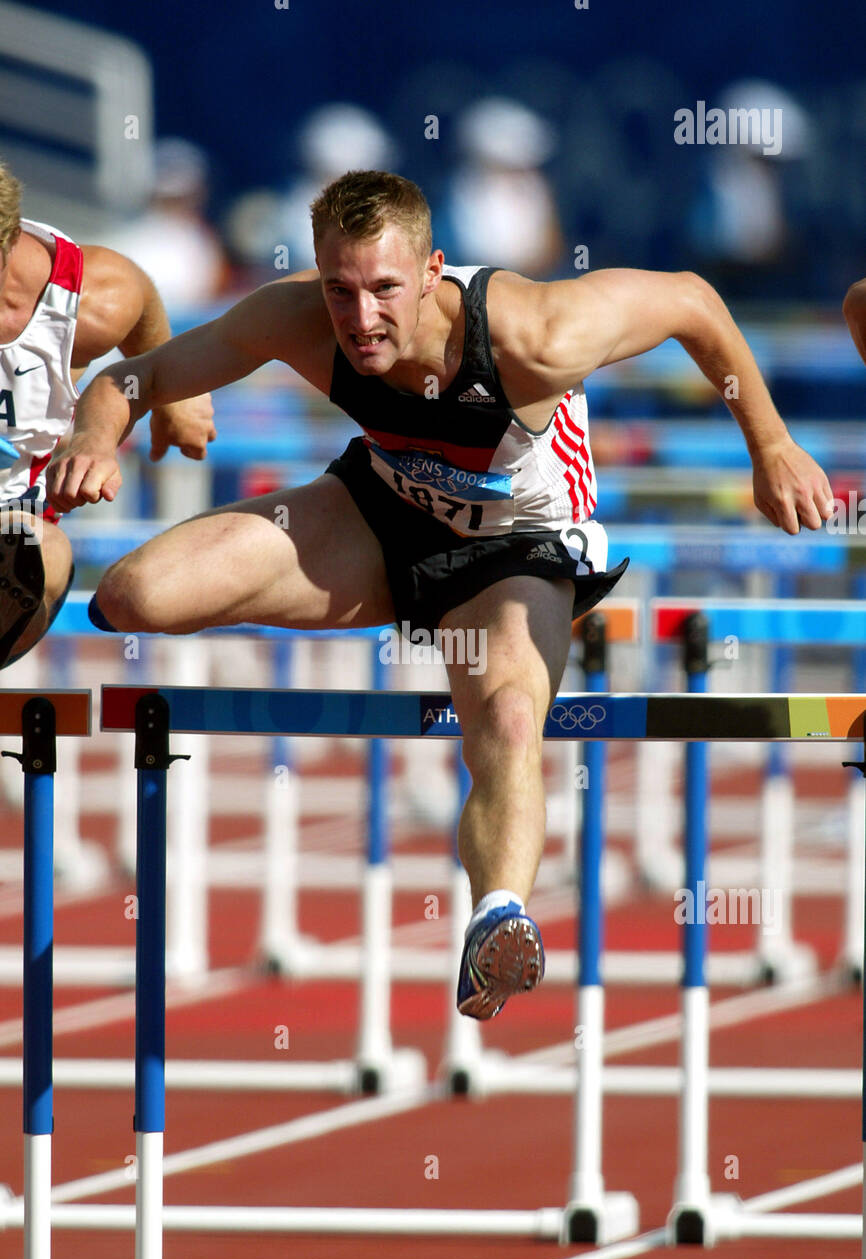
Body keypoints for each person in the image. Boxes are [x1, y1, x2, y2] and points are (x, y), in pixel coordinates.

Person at [45, 170, 834, 1021]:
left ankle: (498, 915)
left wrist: (773, 445)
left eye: (385, 289)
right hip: (382, 512)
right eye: (340, 291)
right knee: (135, 596)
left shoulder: (536, 332)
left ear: (432, 272)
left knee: (505, 715)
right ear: (317, 273)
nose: (361, 319)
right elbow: (131, 378)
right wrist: (99, 434)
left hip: (515, 549)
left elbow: (692, 299)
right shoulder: (292, 317)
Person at [0, 159, 216, 666]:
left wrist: (173, 401)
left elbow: (138, 302)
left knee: (40, 551)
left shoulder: (85, 298)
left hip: (13, 526)